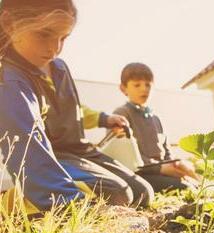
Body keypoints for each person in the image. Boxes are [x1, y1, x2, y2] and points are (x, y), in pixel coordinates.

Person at [0, 0, 154, 213]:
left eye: (63, 38)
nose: (54, 49)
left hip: (77, 149)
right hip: (51, 154)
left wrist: (103, 119)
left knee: (142, 192)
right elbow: (25, 140)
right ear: (9, 23)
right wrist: (67, 203)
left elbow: (71, 108)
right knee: (117, 193)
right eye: (44, 34)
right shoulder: (8, 80)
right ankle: (8, 200)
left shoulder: (58, 67)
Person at [113, 62, 198, 192]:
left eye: (148, 85)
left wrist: (176, 165)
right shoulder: (121, 114)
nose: (144, 89)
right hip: (138, 173)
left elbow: (166, 150)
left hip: (162, 171)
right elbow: (125, 156)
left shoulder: (156, 118)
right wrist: (160, 168)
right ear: (123, 88)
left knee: (192, 182)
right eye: (137, 85)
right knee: (183, 187)